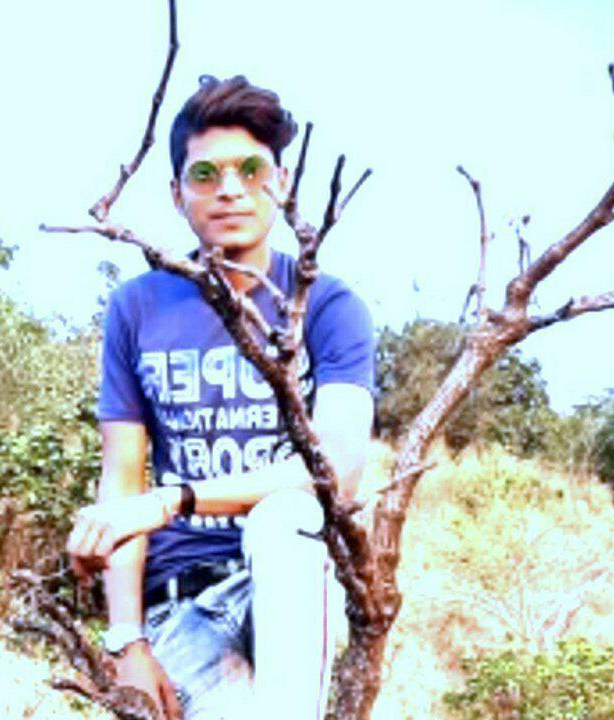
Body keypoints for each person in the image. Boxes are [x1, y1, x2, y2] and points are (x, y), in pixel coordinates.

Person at [66, 74, 376, 720]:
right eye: (205, 174)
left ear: (280, 183)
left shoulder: (329, 306)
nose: (229, 189)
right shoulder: (138, 308)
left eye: (250, 170)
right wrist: (127, 640)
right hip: (180, 605)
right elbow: (121, 477)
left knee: (283, 518)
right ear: (178, 194)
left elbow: (337, 471)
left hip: (290, 588)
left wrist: (171, 499)